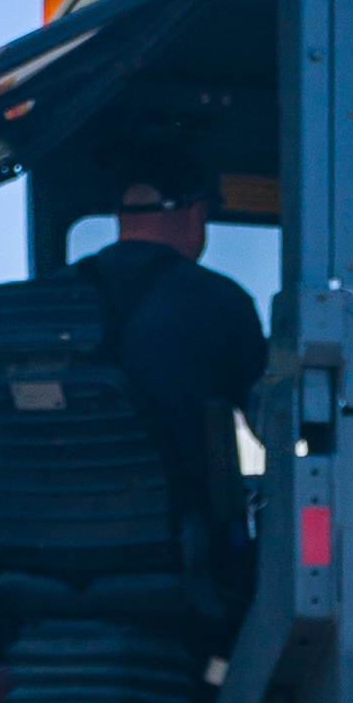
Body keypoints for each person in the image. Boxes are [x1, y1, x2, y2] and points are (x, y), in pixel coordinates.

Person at [64, 173, 267, 585]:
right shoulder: (221, 301)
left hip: (39, 546)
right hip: (173, 555)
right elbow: (274, 424)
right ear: (196, 214)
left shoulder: (44, 297)